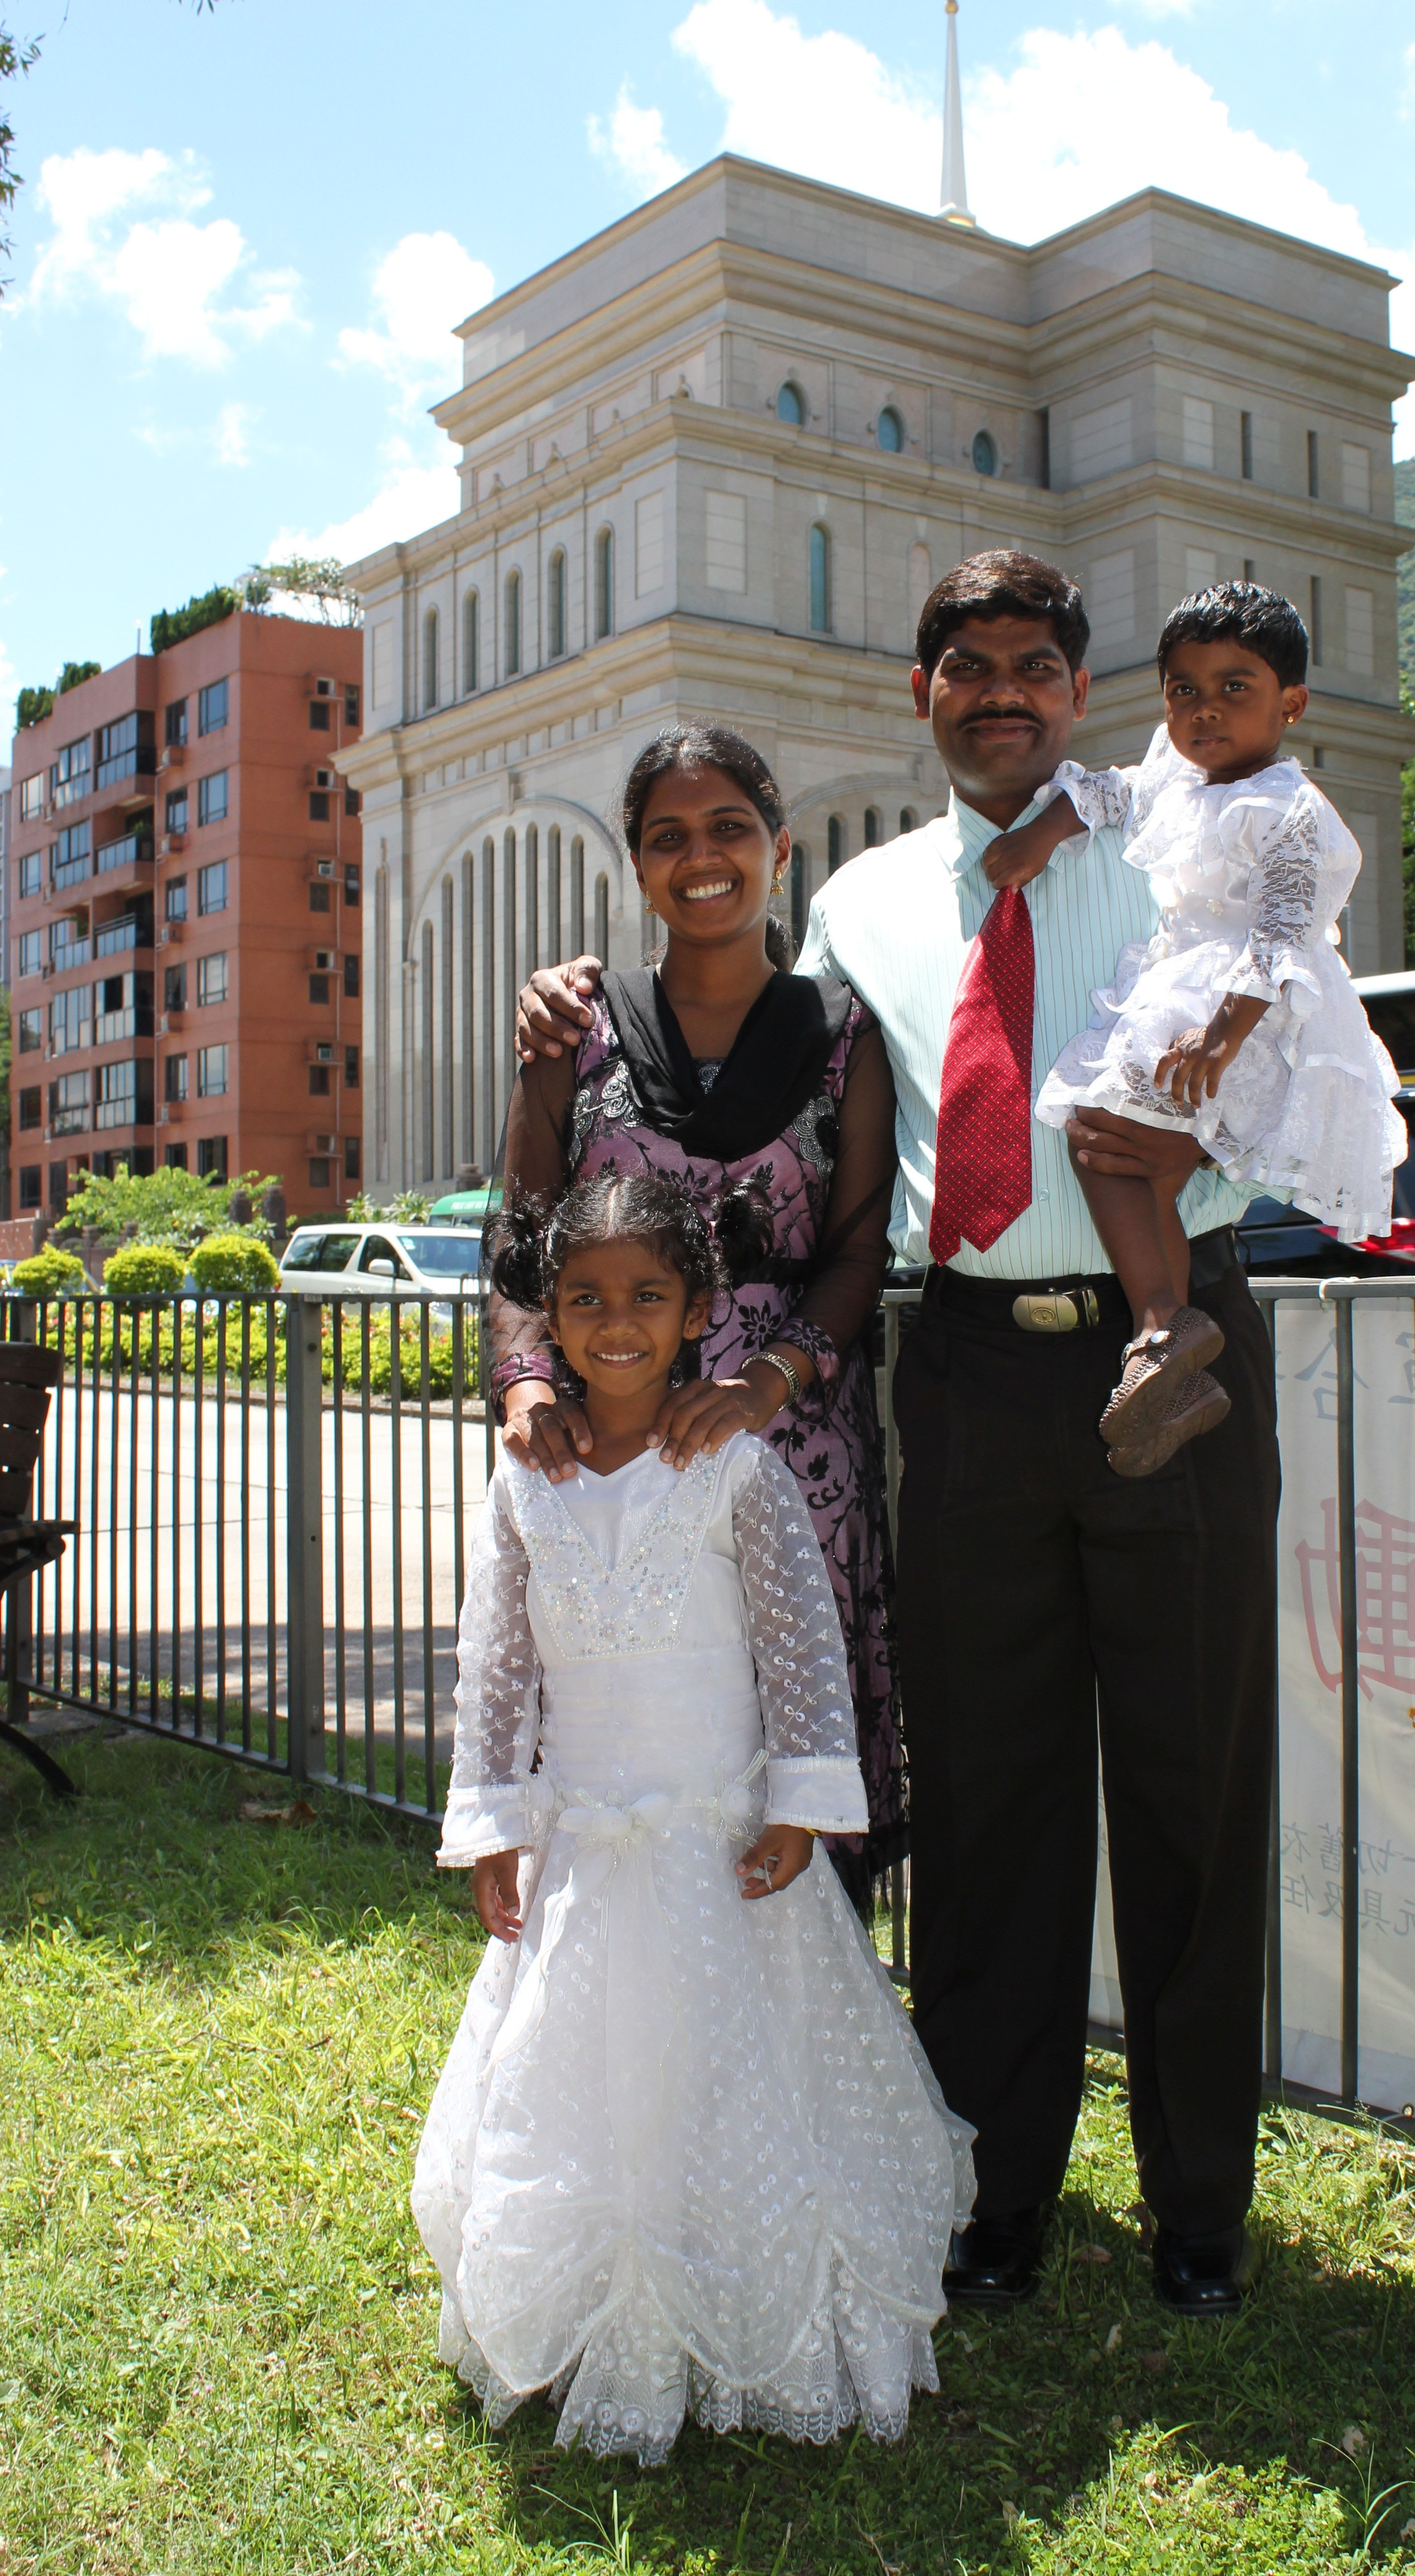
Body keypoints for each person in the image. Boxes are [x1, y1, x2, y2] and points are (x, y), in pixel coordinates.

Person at [518, 551, 1281, 2323]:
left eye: (1034, 664)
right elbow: (736, 1039)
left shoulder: (1183, 845)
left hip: (1171, 1343)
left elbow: (1292, 1002)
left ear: (1077, 688)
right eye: (967, 666)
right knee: (994, 1797)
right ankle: (992, 2190)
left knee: (1192, 1778)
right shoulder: (860, 907)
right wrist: (564, 1003)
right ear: (920, 694)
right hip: (969, 1374)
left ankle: (1199, 2205)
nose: (1001, 691)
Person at [412, 1170, 973, 2466]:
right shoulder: (525, 1482)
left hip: (725, 1859)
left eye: (648, 1297)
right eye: (586, 1299)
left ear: (699, 1310)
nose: (618, 1324)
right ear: (551, 1316)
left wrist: (802, 1804)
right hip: (583, 1859)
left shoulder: (736, 1468)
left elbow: (801, 1648)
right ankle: (592, 2308)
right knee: (580, 2093)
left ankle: (751, 2284)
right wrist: (494, 1823)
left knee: (738, 2079)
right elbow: (497, 1666)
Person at [489, 726, 904, 1908]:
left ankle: (814, 2003)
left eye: (730, 828)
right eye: (668, 837)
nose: (702, 856)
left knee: (790, 1746)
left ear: (780, 848)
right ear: (638, 867)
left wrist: (767, 1382)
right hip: (608, 1446)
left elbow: (856, 1249)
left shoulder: (845, 1034)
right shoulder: (575, 1030)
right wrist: (527, 1387)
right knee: (624, 1751)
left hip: (792, 1444)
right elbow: (521, 1239)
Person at [981, 581, 1406, 1473]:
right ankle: (1165, 1349)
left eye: (1234, 688)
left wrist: (1222, 1036)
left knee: (1101, 1134)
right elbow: (1110, 793)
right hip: (1191, 995)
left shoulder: (1289, 809)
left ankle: (1164, 1325)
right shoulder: (1177, 782)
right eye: (1184, 690)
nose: (1205, 709)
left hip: (1253, 1016)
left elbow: (1284, 936)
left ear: (1291, 704)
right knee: (1120, 1159)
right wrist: (1044, 835)